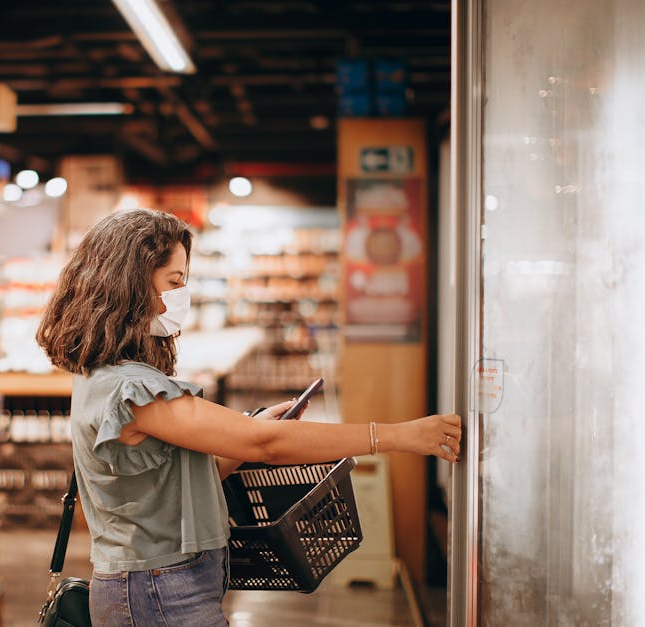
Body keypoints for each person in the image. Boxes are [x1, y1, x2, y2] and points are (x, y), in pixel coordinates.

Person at [36, 208, 461, 627]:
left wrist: (250, 429)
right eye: (174, 281)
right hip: (158, 590)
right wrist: (398, 436)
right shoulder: (131, 389)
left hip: (159, 585)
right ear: (130, 283)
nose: (182, 294)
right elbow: (265, 446)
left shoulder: (112, 378)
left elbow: (185, 480)